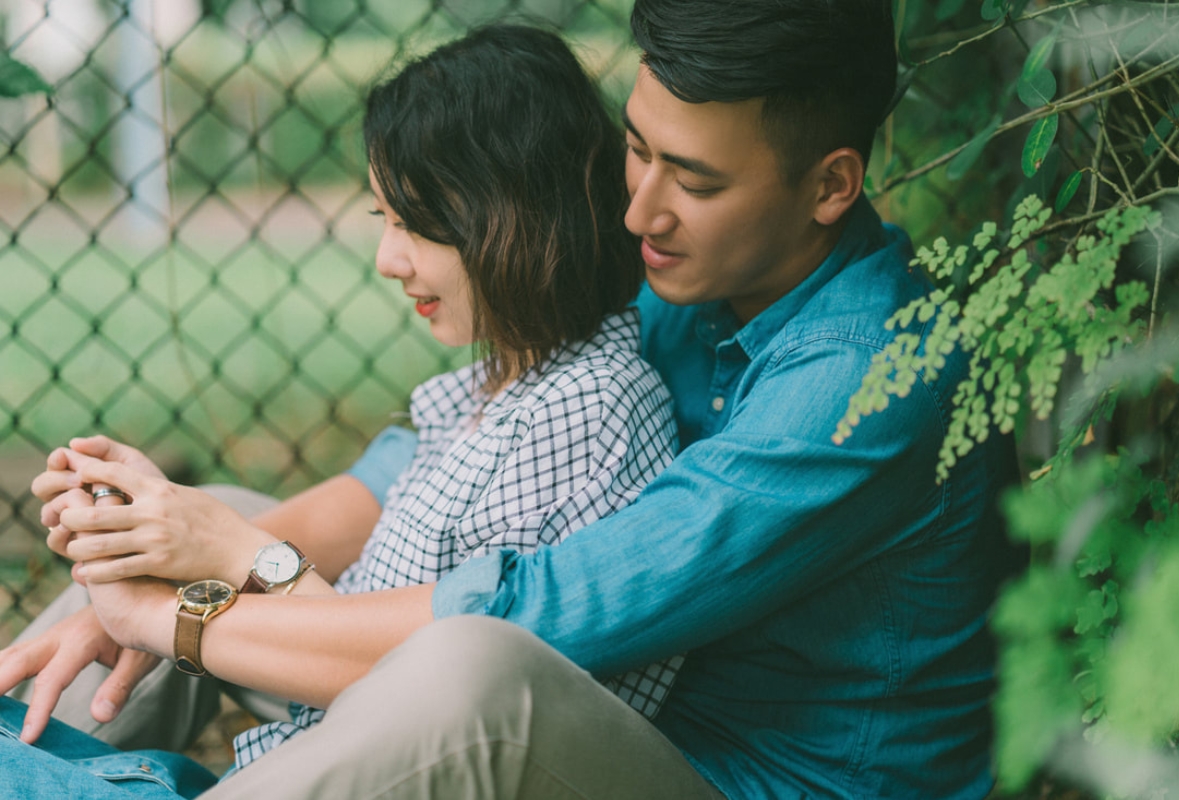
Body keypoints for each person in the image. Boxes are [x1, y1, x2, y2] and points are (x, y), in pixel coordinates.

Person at [15, 0, 1022, 797]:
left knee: (473, 678)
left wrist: (180, 618)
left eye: (695, 180)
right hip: (622, 723)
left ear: (831, 184)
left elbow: (545, 613)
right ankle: (22, 739)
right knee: (227, 513)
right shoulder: (693, 269)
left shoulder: (867, 382)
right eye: (637, 147)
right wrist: (176, 560)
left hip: (736, 777)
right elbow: (415, 454)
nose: (636, 208)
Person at [0, 24, 683, 797]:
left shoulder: (582, 417)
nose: (389, 261)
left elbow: (423, 700)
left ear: (517, 217)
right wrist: (152, 563)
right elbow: (366, 639)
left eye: (416, 225)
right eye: (382, 221)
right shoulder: (497, 389)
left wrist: (232, 561)